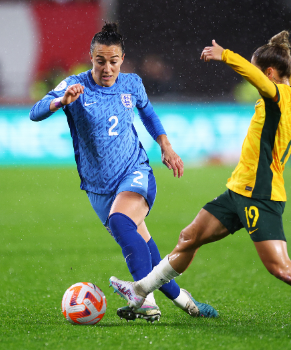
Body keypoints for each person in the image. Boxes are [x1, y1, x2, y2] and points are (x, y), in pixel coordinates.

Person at [110, 32, 291, 328]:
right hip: (237, 192)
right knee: (188, 237)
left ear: (269, 74)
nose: (254, 78)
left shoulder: (279, 96)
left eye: (258, 71)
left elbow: (260, 81)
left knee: (281, 268)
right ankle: (140, 290)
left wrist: (227, 56)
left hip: (260, 195)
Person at [28, 23, 217, 323]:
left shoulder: (132, 83)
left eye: (113, 61)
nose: (107, 68)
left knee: (121, 220)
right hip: (98, 188)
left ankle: (144, 301)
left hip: (135, 172)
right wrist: (60, 101)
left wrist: (165, 145)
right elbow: (35, 111)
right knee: (147, 252)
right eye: (100, 61)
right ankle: (187, 303)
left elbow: (149, 113)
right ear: (90, 57)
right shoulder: (75, 86)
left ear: (122, 59)